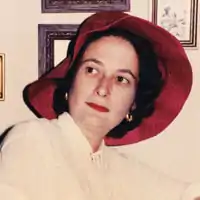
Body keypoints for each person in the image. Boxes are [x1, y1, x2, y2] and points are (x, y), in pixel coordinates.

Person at [0, 11, 199, 200]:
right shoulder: (31, 140)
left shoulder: (119, 168)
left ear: (133, 105)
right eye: (92, 70)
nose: (103, 89)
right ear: (70, 81)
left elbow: (187, 193)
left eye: (121, 79)